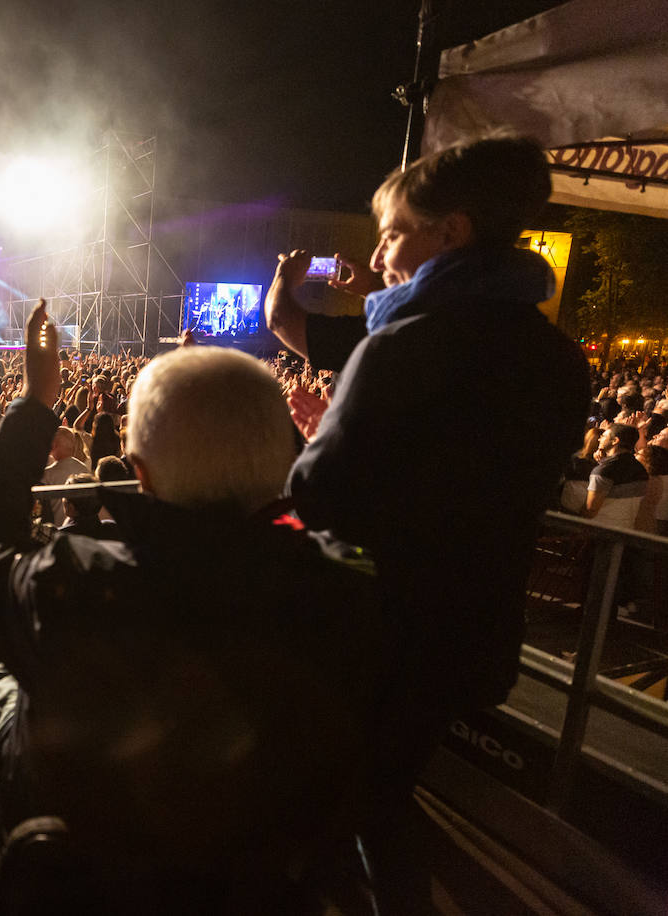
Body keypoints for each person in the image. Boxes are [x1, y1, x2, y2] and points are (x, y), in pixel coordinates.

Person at [0, 303, 391, 907]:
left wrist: (36, 401)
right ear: (288, 463)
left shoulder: (77, 582)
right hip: (269, 883)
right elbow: (322, 539)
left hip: (90, 879)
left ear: (142, 476)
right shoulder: (348, 581)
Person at [285, 136, 590, 907]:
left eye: (393, 231)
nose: (381, 253)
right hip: (473, 630)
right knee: (385, 794)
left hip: (375, 634)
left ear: (450, 232)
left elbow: (319, 494)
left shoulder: (403, 345)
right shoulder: (557, 360)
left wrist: (325, 434)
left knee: (340, 805)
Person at [584, 423, 649, 527]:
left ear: (615, 441)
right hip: (625, 528)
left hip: (599, 530)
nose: (599, 439)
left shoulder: (604, 470)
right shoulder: (641, 469)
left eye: (604, 436)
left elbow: (591, 510)